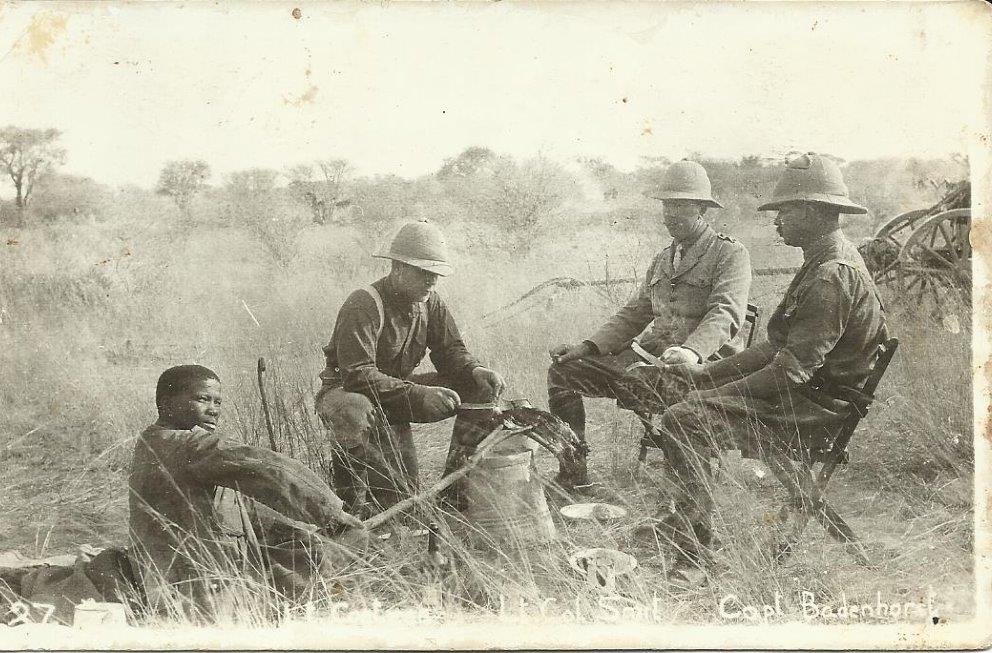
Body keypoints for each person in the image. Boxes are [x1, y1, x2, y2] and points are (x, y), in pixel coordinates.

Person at [652, 153, 889, 587]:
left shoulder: (830, 275)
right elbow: (775, 348)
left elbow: (788, 371)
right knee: (690, 400)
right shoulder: (825, 259)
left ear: (815, 213)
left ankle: (693, 557)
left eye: (785, 210)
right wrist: (704, 375)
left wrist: (708, 391)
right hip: (809, 395)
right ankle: (681, 526)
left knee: (682, 419)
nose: (776, 220)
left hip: (814, 409)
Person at [547, 159, 752, 491]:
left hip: (700, 371)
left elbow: (725, 314)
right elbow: (635, 313)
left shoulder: (729, 254)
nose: (671, 213)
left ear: (702, 208)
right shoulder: (663, 258)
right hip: (648, 364)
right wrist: (586, 347)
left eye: (681, 204)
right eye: (667, 204)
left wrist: (691, 352)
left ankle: (684, 496)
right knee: (565, 373)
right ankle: (575, 471)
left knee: (673, 400)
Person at [129, 364, 368, 617]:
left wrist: (309, 530)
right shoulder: (181, 446)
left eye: (217, 402)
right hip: (195, 593)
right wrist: (332, 514)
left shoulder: (162, 445)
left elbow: (240, 513)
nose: (213, 410)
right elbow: (265, 467)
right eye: (202, 399)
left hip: (193, 582)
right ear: (166, 405)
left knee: (309, 555)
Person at [316, 221, 507, 517]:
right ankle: (347, 511)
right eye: (424, 272)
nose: (432, 281)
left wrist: (474, 370)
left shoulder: (430, 302)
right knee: (357, 414)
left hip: (395, 394)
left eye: (436, 274)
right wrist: (418, 395)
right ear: (398, 268)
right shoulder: (363, 304)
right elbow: (357, 375)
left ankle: (454, 493)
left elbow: (450, 351)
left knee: (478, 387)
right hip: (347, 395)